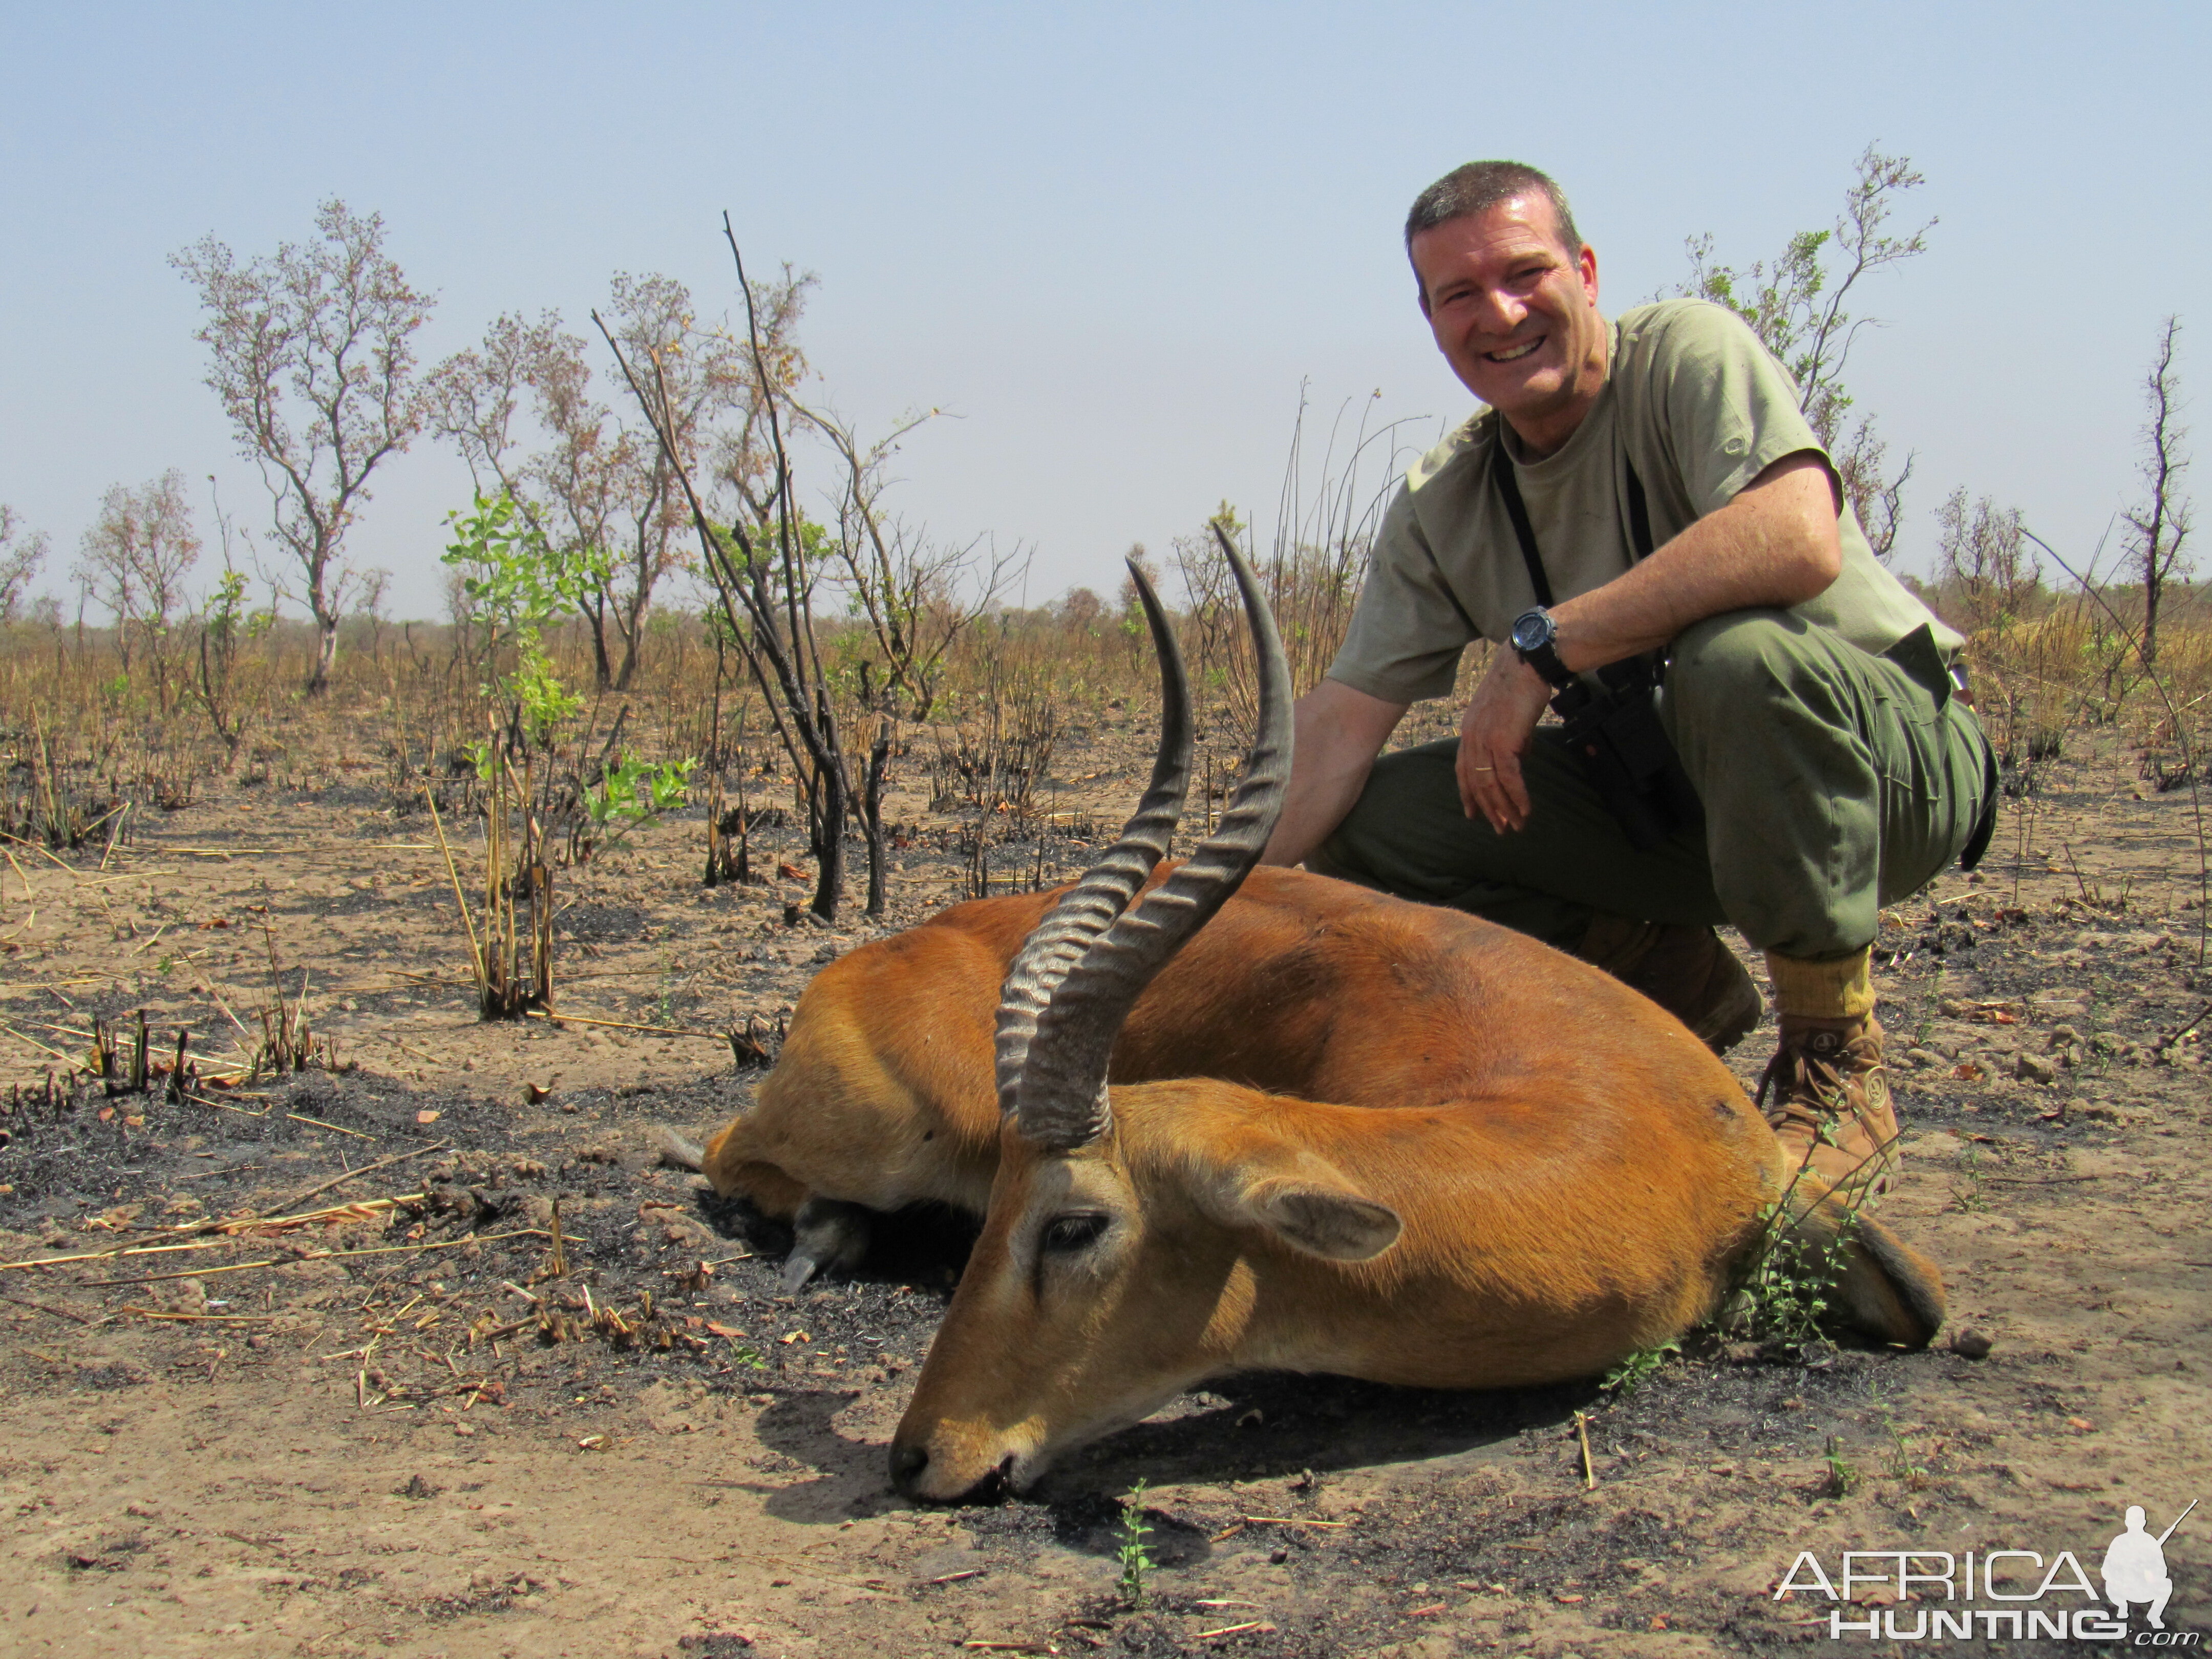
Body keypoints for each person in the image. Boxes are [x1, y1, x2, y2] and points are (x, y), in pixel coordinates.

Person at [1261, 160, 1995, 1195]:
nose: (1500, 313)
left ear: (1588, 271)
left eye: (1525, 274)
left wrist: (1540, 649)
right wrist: (1179, 903)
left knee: (1735, 658)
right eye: (1460, 294)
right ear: (1429, 317)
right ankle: (1671, 983)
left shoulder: (1688, 353)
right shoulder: (1447, 498)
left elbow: (1796, 536)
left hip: (1884, 783)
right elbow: (1339, 725)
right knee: (1374, 825)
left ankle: (1836, 1065)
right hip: (1690, 816)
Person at [2100, 1506, 2174, 1629]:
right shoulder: (2119, 1542)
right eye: (2133, 1521)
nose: (2135, 1524)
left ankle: (2154, 1615)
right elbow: (2106, 1570)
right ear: (2126, 1523)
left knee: (2167, 1584)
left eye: (2138, 1521)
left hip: (2145, 1590)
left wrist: (2147, 1571)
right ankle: (2122, 1607)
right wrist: (2122, 1573)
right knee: (2109, 1584)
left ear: (2144, 1523)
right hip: (2123, 1590)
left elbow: (2162, 1571)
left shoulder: (2151, 1542)